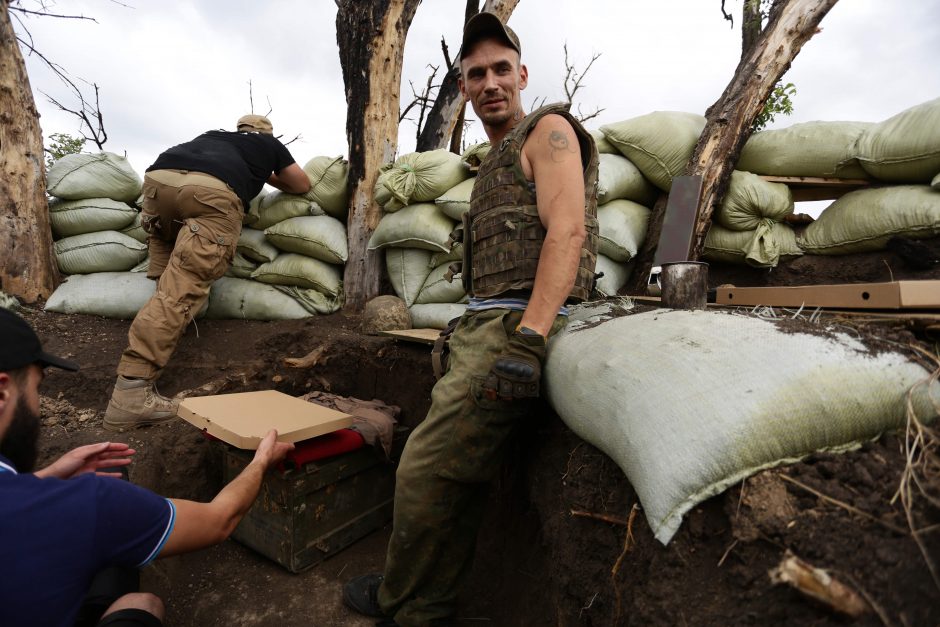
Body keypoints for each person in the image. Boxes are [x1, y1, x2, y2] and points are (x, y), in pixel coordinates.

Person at [343, 12, 599, 626]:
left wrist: (531, 338)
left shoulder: (549, 131)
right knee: (454, 476)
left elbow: (567, 230)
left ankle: (405, 605)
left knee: (424, 469)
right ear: (462, 86)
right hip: (486, 325)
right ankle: (428, 596)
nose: (490, 83)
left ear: (522, 75)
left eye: (501, 70)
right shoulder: (496, 156)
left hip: (515, 326)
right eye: (476, 73)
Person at [0, 307, 295, 626]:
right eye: (34, 389)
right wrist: (261, 460)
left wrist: (48, 476)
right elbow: (219, 520)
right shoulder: (93, 501)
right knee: (142, 604)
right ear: (3, 391)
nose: (37, 406)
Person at [104, 115, 311, 430]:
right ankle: (130, 395)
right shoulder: (268, 143)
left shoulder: (214, 135)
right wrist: (266, 173)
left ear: (239, 129)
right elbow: (301, 183)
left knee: (168, 268)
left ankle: (166, 318)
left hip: (159, 184)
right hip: (210, 192)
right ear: (266, 133)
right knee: (178, 293)